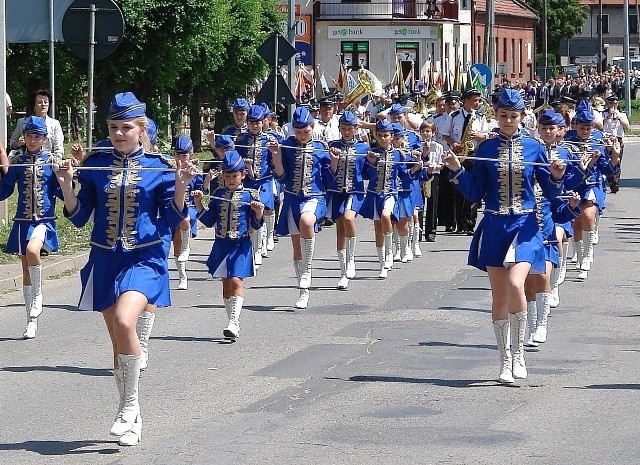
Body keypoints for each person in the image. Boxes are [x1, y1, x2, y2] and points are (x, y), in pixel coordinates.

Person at [58, 92, 195, 446]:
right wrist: (65, 184)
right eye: (114, 127)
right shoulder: (96, 163)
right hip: (104, 257)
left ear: (142, 128)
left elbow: (172, 218)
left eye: (127, 127)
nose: (120, 133)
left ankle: (129, 405)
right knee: (116, 341)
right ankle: (132, 416)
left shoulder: (160, 165)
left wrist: (180, 187)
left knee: (124, 321)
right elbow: (79, 217)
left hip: (143, 258)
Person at [442, 88, 567, 384]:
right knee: (499, 295)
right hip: (495, 225)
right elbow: (475, 194)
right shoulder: (485, 150)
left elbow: (548, 193)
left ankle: (519, 353)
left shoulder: (535, 147)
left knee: (515, 283)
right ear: (496, 116)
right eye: (503, 115)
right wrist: (457, 170)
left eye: (513, 115)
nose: (508, 120)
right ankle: (504, 360)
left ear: (522, 116)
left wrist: (557, 177)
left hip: (525, 226)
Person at [0, 116, 63, 339]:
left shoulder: (51, 162)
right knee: (25, 269)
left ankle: (38, 296)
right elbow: (5, 190)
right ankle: (31, 320)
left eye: (37, 136)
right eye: (28, 136)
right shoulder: (17, 161)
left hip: (44, 221)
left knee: (32, 251)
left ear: (45, 138)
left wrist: (65, 176)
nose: (32, 140)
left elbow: (61, 192)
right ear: (24, 138)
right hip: (22, 222)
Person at [268, 107, 337, 309]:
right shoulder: (286, 146)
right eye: (298, 132)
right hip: (291, 199)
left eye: (305, 131)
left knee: (307, 221)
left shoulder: (321, 147)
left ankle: (307, 270)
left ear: (312, 128)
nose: (301, 135)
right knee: (296, 247)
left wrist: (333, 163)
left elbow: (329, 180)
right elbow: (281, 177)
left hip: (315, 197)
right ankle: (303, 291)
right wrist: (276, 156)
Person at [194, 151, 264, 341]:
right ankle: (232, 323)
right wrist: (199, 205)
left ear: (243, 175)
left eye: (235, 176)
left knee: (236, 281)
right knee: (225, 283)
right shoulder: (218, 194)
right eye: (227, 176)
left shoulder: (250, 195)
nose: (231, 180)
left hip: (240, 244)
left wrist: (258, 213)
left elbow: (257, 225)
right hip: (221, 244)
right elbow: (209, 221)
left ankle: (234, 321)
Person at [361, 120, 423, 278]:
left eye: (386, 136)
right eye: (380, 135)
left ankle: (390, 253)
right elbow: (365, 174)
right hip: (374, 194)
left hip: (390, 194)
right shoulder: (371, 152)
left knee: (386, 215)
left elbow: (404, 176)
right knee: (377, 228)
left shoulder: (398, 154)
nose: (382, 138)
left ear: (392, 136)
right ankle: (382, 263)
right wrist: (372, 162)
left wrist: (416, 168)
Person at [327, 110, 369, 289]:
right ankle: (343, 272)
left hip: (355, 191)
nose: (346, 132)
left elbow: (368, 173)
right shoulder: (332, 145)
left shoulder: (363, 148)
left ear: (355, 129)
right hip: (337, 192)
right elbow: (327, 171)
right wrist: (333, 158)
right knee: (340, 230)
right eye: (343, 128)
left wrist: (373, 162)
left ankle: (351, 260)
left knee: (348, 218)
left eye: (349, 129)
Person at [443, 88, 489, 235]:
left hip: (473, 154)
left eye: (478, 100)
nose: (477, 103)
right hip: (457, 155)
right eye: (474, 100)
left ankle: (470, 223)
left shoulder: (480, 117)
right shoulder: (454, 116)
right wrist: (453, 144)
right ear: (466, 101)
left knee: (473, 187)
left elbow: (487, 135)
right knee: (458, 190)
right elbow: (445, 135)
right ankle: (459, 222)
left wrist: (478, 135)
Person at [235, 104, 276, 267]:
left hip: (265, 179)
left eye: (257, 123)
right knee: (253, 213)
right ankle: (256, 249)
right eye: (251, 122)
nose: (254, 126)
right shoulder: (241, 139)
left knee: (266, 209)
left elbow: (275, 160)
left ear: (262, 122)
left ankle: (269, 235)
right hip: (248, 181)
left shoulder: (269, 139)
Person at [171, 135, 203, 290]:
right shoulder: (169, 169)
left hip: (189, 207)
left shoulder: (195, 171)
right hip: (171, 207)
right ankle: (182, 275)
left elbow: (202, 189)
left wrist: (206, 182)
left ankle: (187, 246)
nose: (181, 159)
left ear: (191, 154)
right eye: (178, 155)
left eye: (184, 155)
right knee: (176, 241)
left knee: (183, 219)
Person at [10, 89, 64, 157]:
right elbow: (12, 144)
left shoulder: (55, 124)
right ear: (33, 105)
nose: (43, 105)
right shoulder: (22, 122)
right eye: (40, 102)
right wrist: (19, 143)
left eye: (46, 102)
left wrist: (52, 162)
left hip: (48, 163)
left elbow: (59, 150)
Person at [419, 121, 444, 242]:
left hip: (433, 175)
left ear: (433, 133)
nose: (425, 133)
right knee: (419, 204)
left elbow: (441, 164)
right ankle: (417, 230)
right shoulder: (417, 145)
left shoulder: (438, 146)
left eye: (428, 131)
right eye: (423, 131)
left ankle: (431, 231)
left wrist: (436, 166)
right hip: (420, 175)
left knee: (432, 204)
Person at [601, 95, 629, 193]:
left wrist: (619, 118)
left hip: (618, 139)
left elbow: (627, 127)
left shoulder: (622, 114)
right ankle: (610, 180)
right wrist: (608, 117)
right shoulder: (603, 114)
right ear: (608, 104)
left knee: (617, 160)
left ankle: (615, 182)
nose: (613, 105)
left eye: (615, 103)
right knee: (607, 160)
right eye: (611, 103)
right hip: (606, 139)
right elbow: (600, 126)